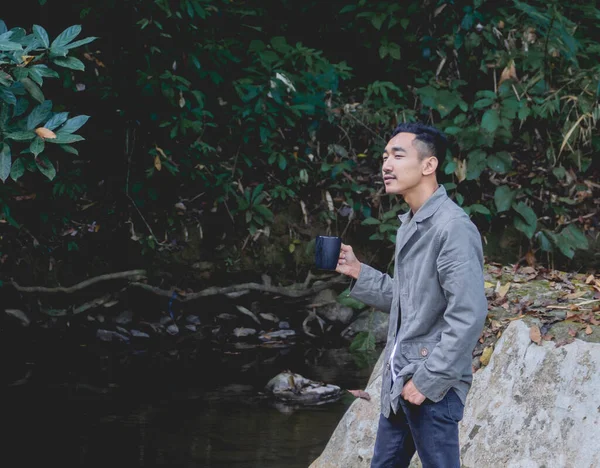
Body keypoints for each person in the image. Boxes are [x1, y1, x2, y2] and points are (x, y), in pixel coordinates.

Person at [336, 122, 488, 468]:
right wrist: (359, 272)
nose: (386, 164)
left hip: (429, 384)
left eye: (397, 155)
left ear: (428, 165)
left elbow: (469, 313)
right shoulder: (412, 223)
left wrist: (427, 379)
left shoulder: (452, 228)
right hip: (401, 380)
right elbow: (410, 303)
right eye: (384, 156)